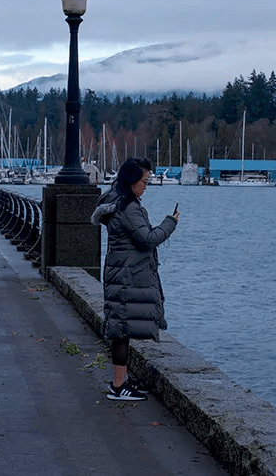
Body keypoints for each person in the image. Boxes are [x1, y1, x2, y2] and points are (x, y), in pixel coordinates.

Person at [91, 157, 180, 401]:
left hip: (121, 273)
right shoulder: (128, 208)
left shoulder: (117, 202)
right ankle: (118, 387)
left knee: (122, 328)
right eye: (144, 181)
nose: (146, 186)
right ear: (132, 181)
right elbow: (148, 238)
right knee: (121, 330)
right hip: (127, 276)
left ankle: (121, 382)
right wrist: (170, 222)